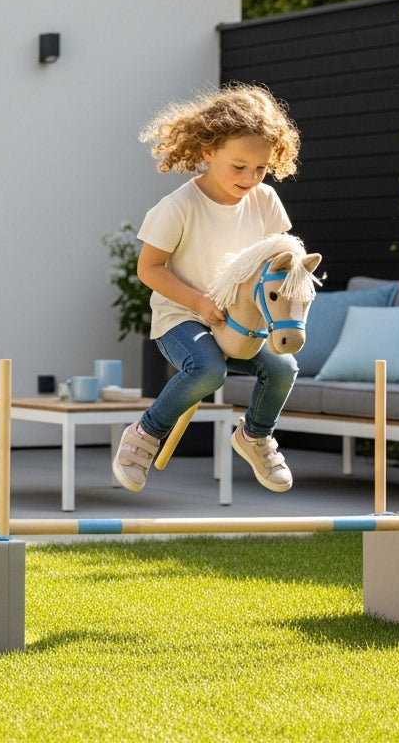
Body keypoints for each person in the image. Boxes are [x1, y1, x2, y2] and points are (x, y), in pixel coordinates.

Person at [113, 83, 302, 495]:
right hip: (182, 318)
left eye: (260, 168)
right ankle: (144, 435)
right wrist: (199, 301)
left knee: (283, 367)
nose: (250, 178)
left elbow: (279, 263)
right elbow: (149, 268)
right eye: (239, 167)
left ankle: (254, 437)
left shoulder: (266, 201)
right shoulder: (179, 207)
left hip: (240, 325)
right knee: (208, 369)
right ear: (207, 152)